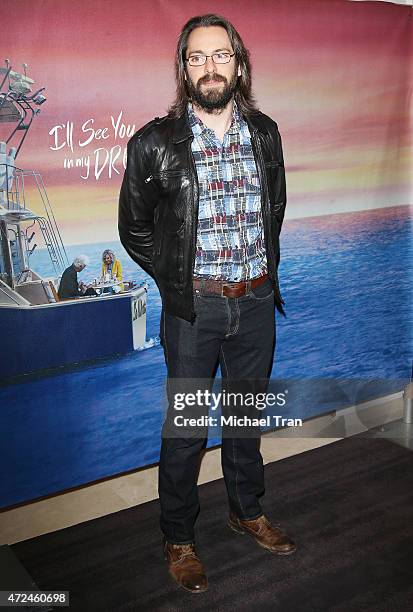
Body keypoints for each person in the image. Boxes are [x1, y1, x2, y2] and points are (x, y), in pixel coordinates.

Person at [119, 14, 295, 593]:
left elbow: (275, 210)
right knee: (188, 431)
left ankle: (247, 510)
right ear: (184, 68)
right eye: (197, 57)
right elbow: (135, 229)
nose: (210, 67)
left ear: (239, 63)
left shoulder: (265, 132)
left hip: (256, 303)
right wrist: (177, 280)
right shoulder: (153, 143)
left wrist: (261, 280)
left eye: (220, 55)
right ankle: (178, 537)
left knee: (245, 422)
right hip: (194, 311)